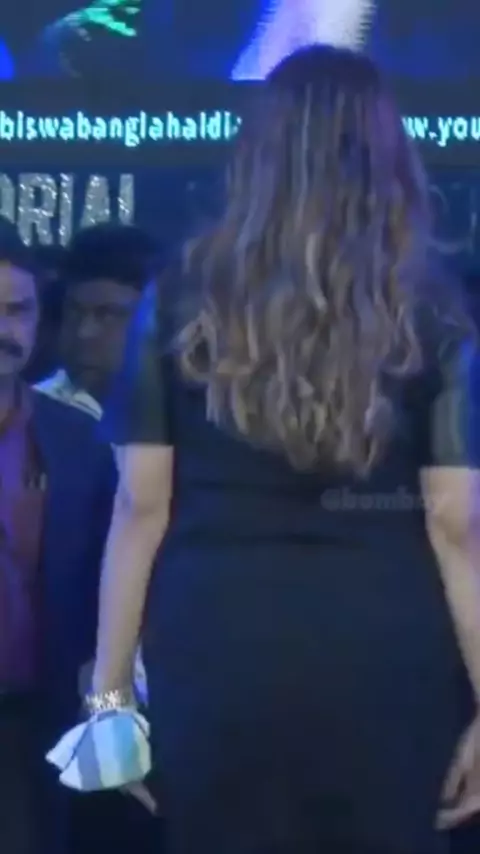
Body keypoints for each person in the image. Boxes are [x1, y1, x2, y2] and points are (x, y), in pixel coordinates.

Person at [87, 46, 480, 853]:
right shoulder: (431, 307)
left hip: (215, 645)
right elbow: (455, 525)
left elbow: (140, 507)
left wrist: (110, 697)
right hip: (387, 652)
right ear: (388, 156)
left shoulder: (178, 296)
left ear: (258, 155)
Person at [0, 221, 116, 854]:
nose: (3, 329)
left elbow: (107, 597)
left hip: (31, 729)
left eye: (16, 311)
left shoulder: (78, 441)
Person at [36, 222, 158, 419]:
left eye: (108, 315)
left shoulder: (192, 416)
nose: (83, 332)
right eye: (75, 312)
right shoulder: (27, 416)